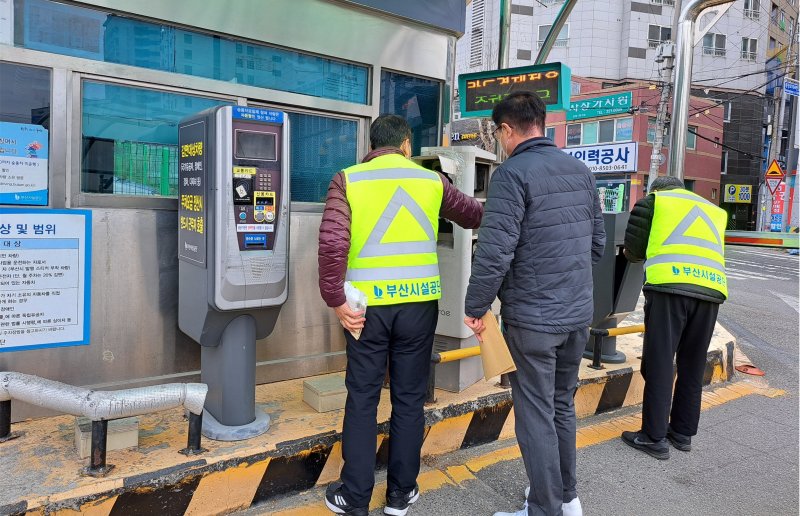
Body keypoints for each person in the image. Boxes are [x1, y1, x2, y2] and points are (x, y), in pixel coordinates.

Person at [318, 114, 483, 516]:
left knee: (362, 398)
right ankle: (399, 496)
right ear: (407, 145)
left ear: (371, 145)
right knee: (409, 399)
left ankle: (354, 498)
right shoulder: (431, 181)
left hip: (366, 309)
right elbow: (473, 215)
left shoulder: (349, 179)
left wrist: (335, 298)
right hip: (419, 304)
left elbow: (332, 243)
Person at [463, 92, 606, 516]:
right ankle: (567, 498)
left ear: (507, 130)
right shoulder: (581, 172)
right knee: (562, 403)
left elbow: (494, 252)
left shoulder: (512, 174)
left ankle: (545, 508)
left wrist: (475, 305)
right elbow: (596, 245)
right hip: (576, 315)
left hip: (533, 319)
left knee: (536, 412)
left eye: (499, 133)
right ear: (540, 123)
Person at [620, 176, 728, 460]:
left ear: (656, 190)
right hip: (711, 291)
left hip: (669, 289)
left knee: (660, 362)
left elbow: (633, 251)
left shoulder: (654, 202)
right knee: (693, 363)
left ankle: (653, 437)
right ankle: (681, 433)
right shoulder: (712, 210)